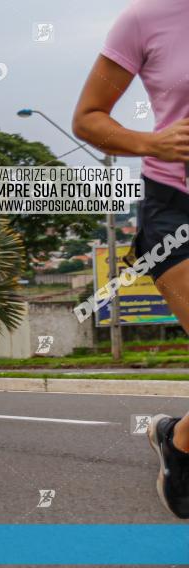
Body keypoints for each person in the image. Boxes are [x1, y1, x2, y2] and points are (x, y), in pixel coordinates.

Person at [73, 0, 189, 518]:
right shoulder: (146, 18)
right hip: (174, 207)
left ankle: (176, 439)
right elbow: (88, 117)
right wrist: (152, 141)